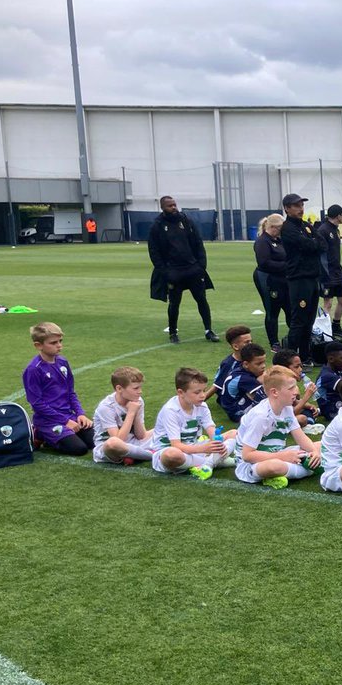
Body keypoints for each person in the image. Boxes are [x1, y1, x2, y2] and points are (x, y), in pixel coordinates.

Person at [233, 366, 321, 490]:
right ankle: (315, 468)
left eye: (295, 386)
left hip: (277, 453)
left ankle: (302, 467)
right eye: (291, 388)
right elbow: (247, 455)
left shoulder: (287, 408)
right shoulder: (261, 416)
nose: (296, 391)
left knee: (321, 446)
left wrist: (314, 451)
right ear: (275, 392)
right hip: (251, 465)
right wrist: (282, 456)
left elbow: (301, 437)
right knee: (274, 466)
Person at [148, 195, 218, 345]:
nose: (174, 207)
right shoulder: (157, 226)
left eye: (174, 204)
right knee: (174, 303)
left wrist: (201, 266)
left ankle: (209, 330)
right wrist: (165, 272)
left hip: (192, 268)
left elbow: (198, 243)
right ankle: (173, 332)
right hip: (173, 271)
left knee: (201, 299)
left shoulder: (186, 221)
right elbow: (154, 251)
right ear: (162, 207)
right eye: (170, 206)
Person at [150, 367, 236, 479]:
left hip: (193, 448)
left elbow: (211, 430)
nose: (203, 395)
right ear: (181, 392)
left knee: (234, 433)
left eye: (204, 390)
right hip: (170, 452)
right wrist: (204, 449)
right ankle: (216, 461)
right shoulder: (171, 410)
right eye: (197, 392)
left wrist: (218, 444)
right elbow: (176, 445)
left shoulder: (202, 406)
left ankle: (208, 464)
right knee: (171, 455)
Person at [23, 321, 93, 455]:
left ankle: (59, 435)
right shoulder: (33, 370)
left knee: (94, 441)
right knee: (79, 449)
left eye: (60, 341)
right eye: (53, 343)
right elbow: (37, 404)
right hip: (48, 421)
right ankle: (39, 433)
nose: (59, 345)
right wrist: (65, 422)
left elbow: (71, 393)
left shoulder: (63, 362)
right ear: (38, 345)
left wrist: (80, 414)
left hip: (69, 416)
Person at [279, 193, 323, 365]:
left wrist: (313, 243)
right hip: (298, 279)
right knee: (299, 320)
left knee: (309, 320)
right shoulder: (288, 228)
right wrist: (313, 243)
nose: (301, 209)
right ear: (287, 208)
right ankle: (288, 360)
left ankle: (305, 357)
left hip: (312, 278)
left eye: (301, 205)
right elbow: (308, 245)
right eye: (296, 206)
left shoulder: (306, 225)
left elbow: (322, 244)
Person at [92, 366, 155, 465]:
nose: (140, 391)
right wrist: (131, 413)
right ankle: (152, 455)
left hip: (133, 442)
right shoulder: (106, 407)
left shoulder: (137, 401)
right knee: (112, 443)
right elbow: (119, 439)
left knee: (164, 428)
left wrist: (136, 413)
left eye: (140, 387)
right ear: (119, 388)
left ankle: (133, 455)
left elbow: (141, 436)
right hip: (110, 448)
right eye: (136, 388)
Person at [253, 214, 289, 350]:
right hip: (268, 279)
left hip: (283, 278)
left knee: (290, 308)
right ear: (273, 227)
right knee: (272, 310)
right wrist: (287, 266)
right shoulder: (262, 241)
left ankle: (294, 337)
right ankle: (274, 342)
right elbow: (264, 262)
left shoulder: (279, 240)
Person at [317, 204, 342, 339]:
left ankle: (336, 326)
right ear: (338, 216)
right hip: (327, 272)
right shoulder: (323, 230)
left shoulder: (335, 230)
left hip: (337, 270)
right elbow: (320, 253)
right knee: (328, 303)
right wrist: (323, 273)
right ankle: (325, 331)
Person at [219, 343, 268, 423]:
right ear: (246, 364)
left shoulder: (240, 371)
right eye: (259, 364)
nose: (263, 366)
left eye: (263, 362)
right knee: (263, 391)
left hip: (233, 406)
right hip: (237, 413)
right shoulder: (244, 379)